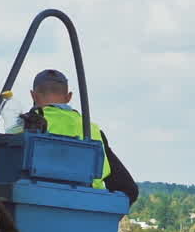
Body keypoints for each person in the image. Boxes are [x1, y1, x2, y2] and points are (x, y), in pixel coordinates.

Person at [14, 69, 138, 205]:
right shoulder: (92, 129)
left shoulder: (27, 124)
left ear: (33, 95)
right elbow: (129, 189)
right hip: (89, 206)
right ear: (68, 97)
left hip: (36, 203)